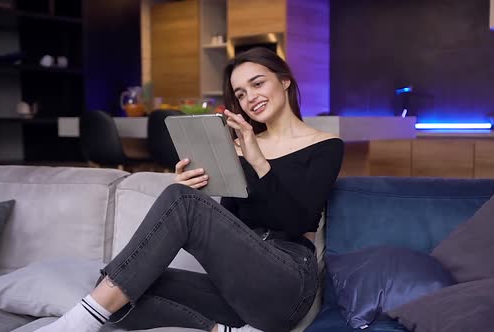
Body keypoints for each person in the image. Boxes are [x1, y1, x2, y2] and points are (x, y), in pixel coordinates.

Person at [36, 47, 344, 332]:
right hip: (236, 289)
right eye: (241, 92)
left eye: (258, 84)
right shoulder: (236, 148)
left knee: (178, 205)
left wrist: (258, 161)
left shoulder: (325, 146)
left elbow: (296, 222)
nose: (251, 97)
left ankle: (75, 325)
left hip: (286, 284)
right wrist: (196, 192)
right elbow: (230, 225)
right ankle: (216, 330)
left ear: (285, 81)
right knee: (120, 285)